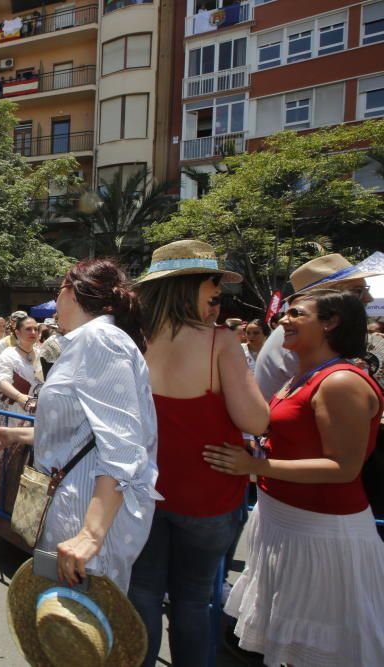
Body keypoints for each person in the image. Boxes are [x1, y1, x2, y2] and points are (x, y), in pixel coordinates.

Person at [205, 289, 384, 665]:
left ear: (331, 322)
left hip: (322, 535)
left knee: (319, 650)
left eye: (296, 314)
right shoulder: (305, 376)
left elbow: (343, 469)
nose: (282, 321)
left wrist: (256, 467)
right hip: (285, 524)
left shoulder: (339, 383)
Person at [127, 240, 269, 667]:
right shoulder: (220, 342)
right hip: (207, 495)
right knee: (192, 601)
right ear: (189, 284)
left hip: (145, 492)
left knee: (144, 595)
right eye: (213, 282)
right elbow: (256, 421)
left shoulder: (133, 338)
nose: (218, 293)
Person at [0, 258, 159, 595]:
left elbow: (123, 445)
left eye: (59, 290)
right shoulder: (87, 341)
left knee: (79, 631)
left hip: (84, 519)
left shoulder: (100, 340)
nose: (56, 302)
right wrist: (21, 434)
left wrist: (90, 534)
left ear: (74, 292)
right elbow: (81, 431)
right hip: (69, 513)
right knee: (58, 628)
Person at [255, 253, 381, 400]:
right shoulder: (300, 334)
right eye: (358, 290)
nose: (369, 298)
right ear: (330, 298)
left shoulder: (310, 334)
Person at [0, 315, 42, 427]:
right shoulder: (9, 354)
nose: (33, 332)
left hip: (35, 412)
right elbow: (0, 380)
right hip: (11, 409)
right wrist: (19, 397)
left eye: (36, 329)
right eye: (28, 329)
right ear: (17, 333)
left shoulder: (41, 355)